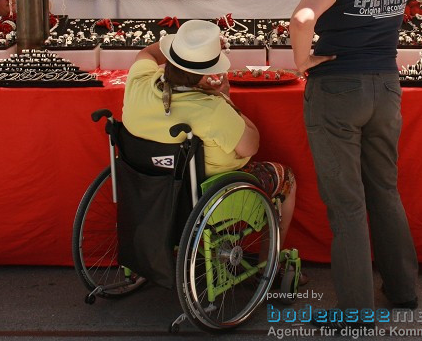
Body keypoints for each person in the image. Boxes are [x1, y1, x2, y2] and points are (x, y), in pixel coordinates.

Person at [289, 0, 418, 321]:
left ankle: (357, 314)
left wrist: (302, 61)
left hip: (339, 90)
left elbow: (302, 17)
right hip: (385, 85)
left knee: (346, 204)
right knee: (384, 190)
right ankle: (402, 291)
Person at [122, 19, 298, 246]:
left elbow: (147, 52)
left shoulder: (139, 81)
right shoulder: (212, 109)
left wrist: (182, 45)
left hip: (146, 186)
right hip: (202, 194)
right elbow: (251, 145)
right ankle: (272, 264)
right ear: (206, 72)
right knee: (286, 177)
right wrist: (225, 97)